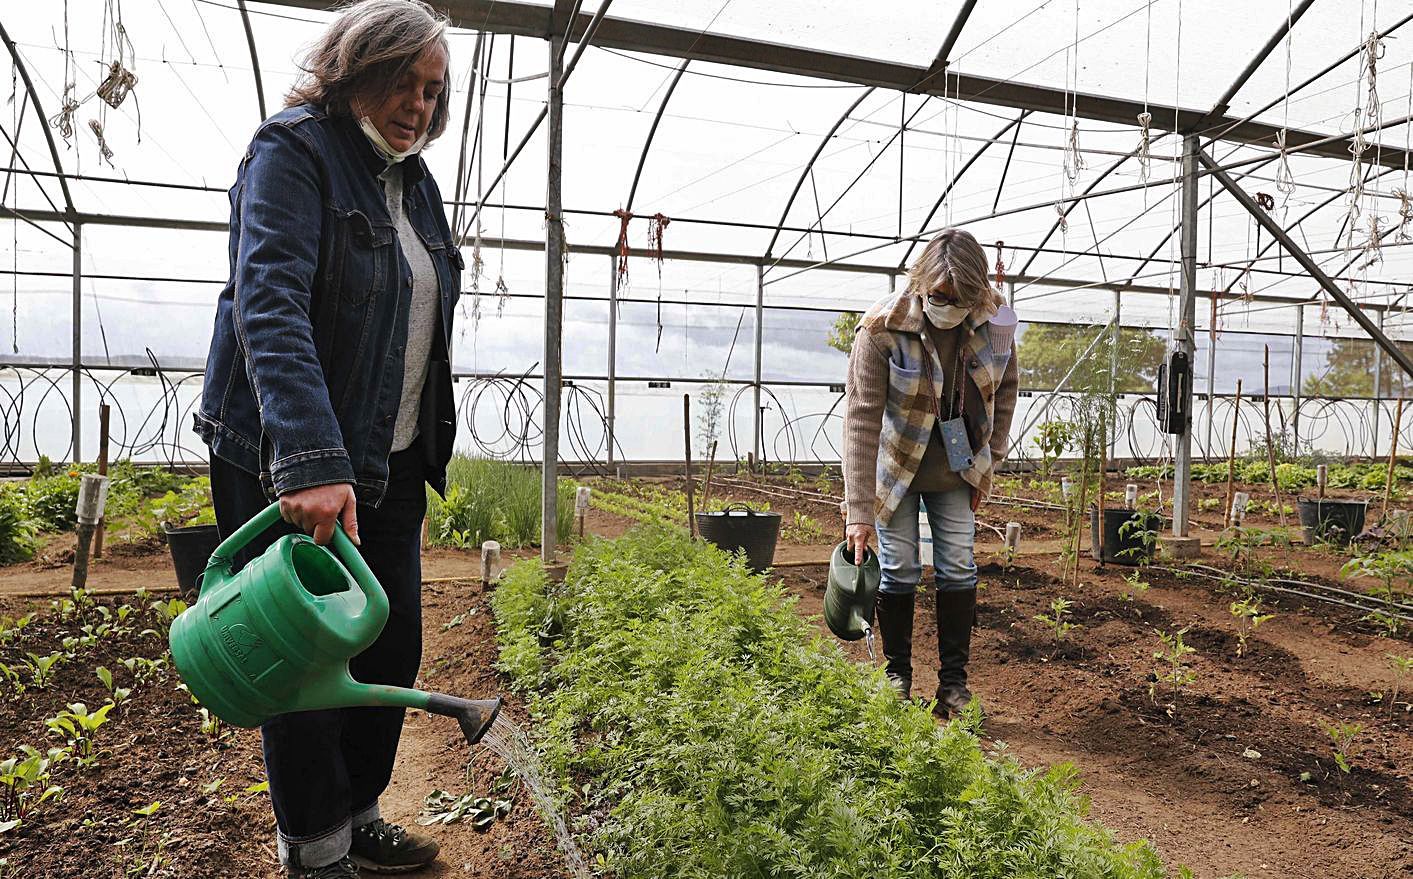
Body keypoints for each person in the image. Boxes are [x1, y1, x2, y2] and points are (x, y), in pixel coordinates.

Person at [193, 2, 462, 875]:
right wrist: (308, 459)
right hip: (292, 456)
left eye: (433, 90)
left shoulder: (414, 183)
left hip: (389, 462)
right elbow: (267, 302)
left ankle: (361, 812)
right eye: (403, 82)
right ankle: (315, 849)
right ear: (357, 67)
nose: (418, 105)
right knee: (304, 657)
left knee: (390, 641)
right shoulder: (294, 151)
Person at [841, 228, 1019, 719]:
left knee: (958, 567)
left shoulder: (994, 321)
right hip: (896, 469)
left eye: (960, 298)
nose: (949, 306)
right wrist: (857, 512)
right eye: (940, 296)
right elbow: (861, 418)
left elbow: (1006, 394)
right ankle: (897, 676)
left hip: (957, 472)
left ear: (977, 292)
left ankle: (954, 687)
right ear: (921, 283)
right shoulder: (881, 329)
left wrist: (988, 466)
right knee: (899, 568)